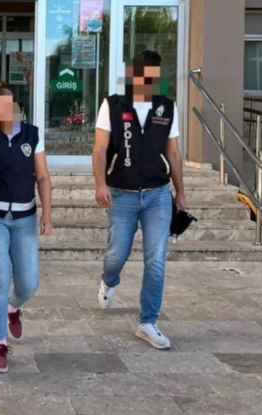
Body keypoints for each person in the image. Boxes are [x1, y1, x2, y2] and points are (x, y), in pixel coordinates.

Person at [92, 50, 186, 350]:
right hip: (122, 194)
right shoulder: (113, 105)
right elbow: (100, 149)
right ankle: (109, 280)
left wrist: (181, 192)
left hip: (158, 194)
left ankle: (148, 322)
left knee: (156, 261)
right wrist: (100, 184)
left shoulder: (167, 107)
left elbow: (173, 152)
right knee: (116, 254)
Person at [0, 80, 53, 373]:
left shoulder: (31, 134)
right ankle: (0, 343)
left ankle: (13, 308)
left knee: (29, 283)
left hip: (25, 219)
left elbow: (43, 176)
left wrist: (47, 213)